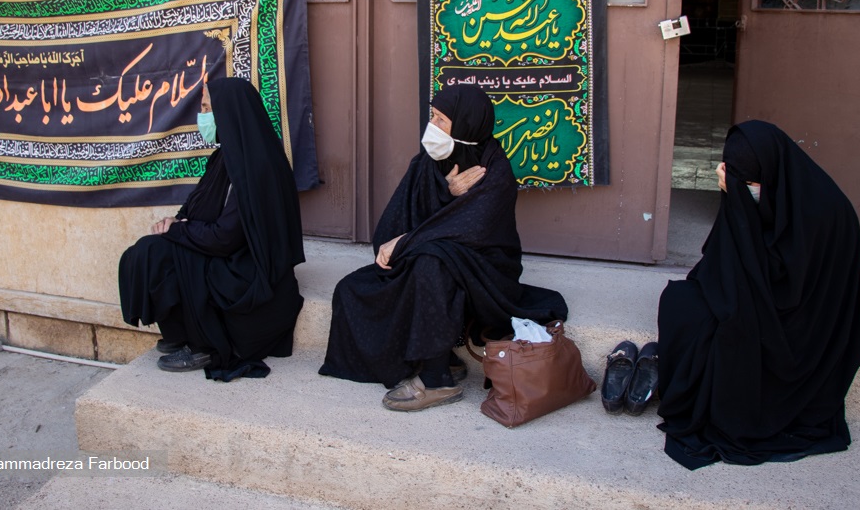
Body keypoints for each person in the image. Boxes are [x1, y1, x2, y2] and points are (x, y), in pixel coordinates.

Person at [318, 85, 568, 411]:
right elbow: (396, 224)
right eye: (432, 115)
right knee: (351, 288)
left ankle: (437, 381)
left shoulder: (494, 170)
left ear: (465, 124)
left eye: (440, 119)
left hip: (484, 269)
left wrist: (411, 239)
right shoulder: (429, 161)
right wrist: (444, 200)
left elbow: (470, 231)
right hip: (427, 254)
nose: (431, 126)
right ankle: (438, 356)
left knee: (432, 263)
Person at [656, 120, 860, 469]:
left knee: (721, 331)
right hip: (760, 293)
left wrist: (738, 198)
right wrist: (739, 198)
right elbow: (729, 261)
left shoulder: (826, 213)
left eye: (748, 184)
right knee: (680, 303)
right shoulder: (782, 187)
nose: (729, 180)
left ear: (770, 174)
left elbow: (782, 283)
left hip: (802, 325)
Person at [118, 78, 305, 381]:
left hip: (245, 271)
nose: (202, 116)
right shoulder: (227, 156)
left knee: (156, 255)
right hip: (224, 252)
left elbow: (225, 238)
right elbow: (196, 204)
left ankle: (204, 344)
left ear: (228, 113)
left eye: (207, 108)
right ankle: (180, 333)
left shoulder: (256, 167)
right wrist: (177, 222)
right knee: (146, 252)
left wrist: (177, 231)